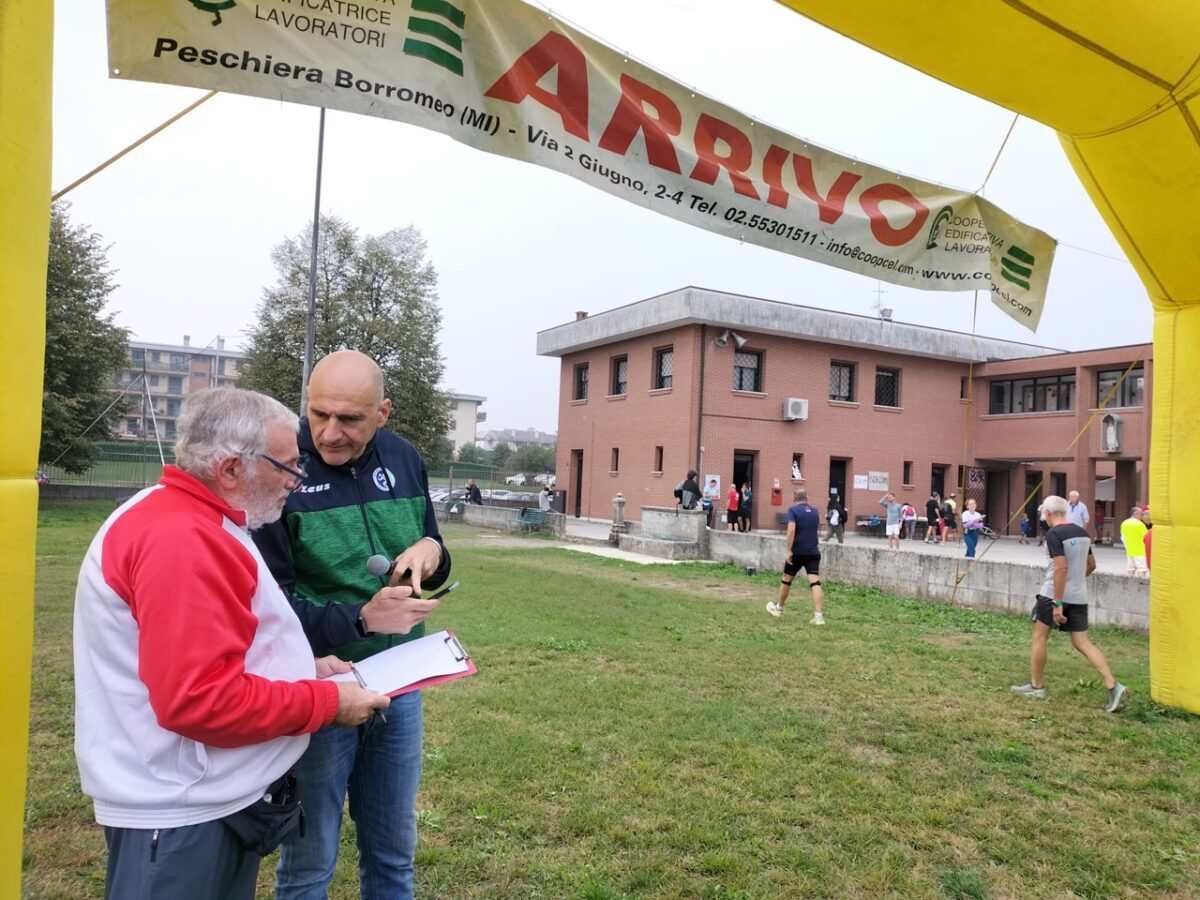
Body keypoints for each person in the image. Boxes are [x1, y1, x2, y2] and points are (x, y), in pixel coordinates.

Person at [73, 388, 390, 899]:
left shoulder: (194, 517)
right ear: (230, 469)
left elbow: (214, 649)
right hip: (180, 814)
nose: (296, 480)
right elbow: (200, 699)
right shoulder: (182, 539)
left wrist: (303, 669)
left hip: (197, 802)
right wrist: (327, 703)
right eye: (287, 466)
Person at [254, 351, 451, 900]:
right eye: (318, 414)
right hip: (320, 684)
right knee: (308, 862)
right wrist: (363, 618)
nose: (329, 433)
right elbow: (268, 609)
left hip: (400, 681)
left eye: (350, 419)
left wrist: (430, 551)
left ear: (382, 413)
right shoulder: (281, 464)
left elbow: (435, 551)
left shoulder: (405, 458)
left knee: (392, 852)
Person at [1010, 495, 1130, 712]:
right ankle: (1113, 685)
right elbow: (1091, 565)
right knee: (1082, 642)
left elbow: (1060, 568)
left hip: (1053, 595)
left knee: (1039, 637)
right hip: (1079, 595)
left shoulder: (1054, 534)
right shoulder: (1082, 533)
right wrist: (1075, 582)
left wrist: (1058, 603)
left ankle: (1036, 687)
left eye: (1044, 515)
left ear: (1048, 514)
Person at [766, 489, 825, 624]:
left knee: (786, 579)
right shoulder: (815, 511)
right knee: (815, 582)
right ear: (807, 498)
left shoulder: (792, 510)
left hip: (797, 552)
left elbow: (791, 530)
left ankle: (779, 609)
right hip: (813, 552)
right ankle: (818, 616)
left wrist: (789, 551)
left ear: (794, 499)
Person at [1119, 506, 1148, 576]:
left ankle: (1130, 582)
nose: (1142, 516)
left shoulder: (1124, 523)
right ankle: (1141, 582)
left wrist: (1127, 546)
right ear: (1136, 514)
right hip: (1141, 550)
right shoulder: (1140, 524)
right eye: (1141, 514)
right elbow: (1146, 537)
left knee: (1130, 569)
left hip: (1129, 550)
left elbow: (1123, 537)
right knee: (1142, 569)